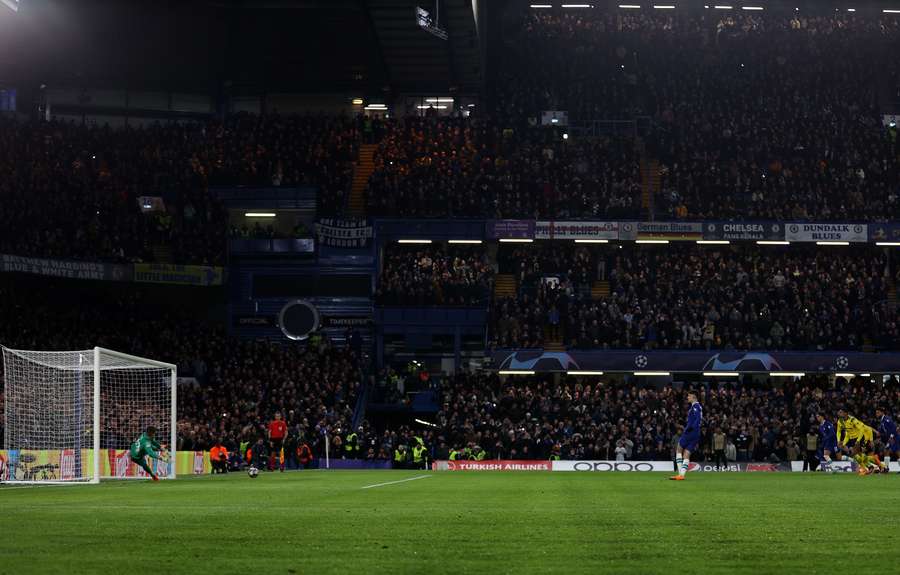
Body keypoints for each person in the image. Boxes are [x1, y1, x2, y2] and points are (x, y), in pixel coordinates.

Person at [670, 391, 701, 481]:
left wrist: (690, 428)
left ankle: (680, 473)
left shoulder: (695, 406)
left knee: (679, 449)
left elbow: (698, 418)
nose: (687, 398)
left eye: (689, 396)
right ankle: (682, 475)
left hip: (690, 432)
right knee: (687, 453)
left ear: (693, 397)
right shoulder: (697, 406)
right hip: (696, 433)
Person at [875, 406, 898, 472]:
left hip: (894, 437)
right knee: (886, 451)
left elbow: (893, 428)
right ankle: (886, 468)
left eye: (878, 413)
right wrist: (879, 434)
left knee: (897, 452)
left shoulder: (887, 419)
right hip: (891, 438)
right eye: (876, 413)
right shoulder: (882, 420)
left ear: (882, 412)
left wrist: (891, 437)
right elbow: (883, 430)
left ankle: (886, 468)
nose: (877, 414)